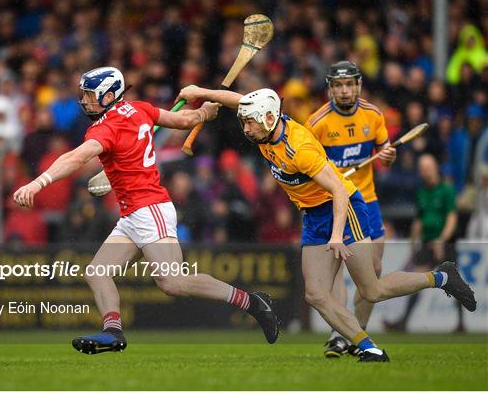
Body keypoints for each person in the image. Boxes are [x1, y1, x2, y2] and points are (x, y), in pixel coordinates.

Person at [177, 85, 477, 362]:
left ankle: (441, 278)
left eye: (250, 123)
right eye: (245, 122)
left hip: (344, 210)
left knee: (371, 290)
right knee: (316, 294)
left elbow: (338, 191)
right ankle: (369, 347)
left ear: (269, 117)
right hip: (313, 215)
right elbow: (238, 101)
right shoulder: (263, 127)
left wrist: (336, 236)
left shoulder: (300, 149)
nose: (246, 128)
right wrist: (200, 92)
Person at [13, 66, 279, 354]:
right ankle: (113, 332)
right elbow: (183, 119)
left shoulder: (105, 128)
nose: (85, 101)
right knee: (97, 272)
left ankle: (251, 302)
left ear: (109, 95)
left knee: (172, 281)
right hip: (133, 214)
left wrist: (38, 183)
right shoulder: (139, 109)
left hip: (150, 208)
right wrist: (203, 113)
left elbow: (76, 157)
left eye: (90, 95)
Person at [305, 61, 396, 357]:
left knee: (374, 272)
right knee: (336, 268)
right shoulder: (317, 122)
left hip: (366, 200)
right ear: (330, 88)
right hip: (331, 202)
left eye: (349, 85)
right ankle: (341, 334)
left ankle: (357, 332)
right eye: (338, 85)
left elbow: (385, 155)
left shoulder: (374, 115)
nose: (344, 91)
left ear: (358, 86)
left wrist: (387, 157)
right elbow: (307, 166)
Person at [384, 154, 463, 332]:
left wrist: (442, 240)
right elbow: (419, 220)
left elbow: (451, 217)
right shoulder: (421, 192)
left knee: (454, 283)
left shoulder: (447, 190)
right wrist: (413, 244)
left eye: (427, 168)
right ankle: (403, 322)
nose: (425, 172)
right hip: (427, 243)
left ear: (435, 168)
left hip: (446, 243)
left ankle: (461, 323)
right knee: (417, 280)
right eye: (422, 169)